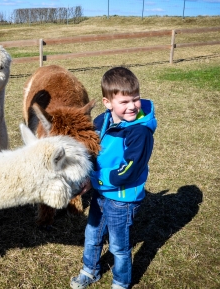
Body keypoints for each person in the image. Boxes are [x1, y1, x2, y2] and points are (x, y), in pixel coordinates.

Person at [71, 67, 157, 289]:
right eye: (124, 102)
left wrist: (95, 180)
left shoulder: (140, 133)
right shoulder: (102, 121)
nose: (131, 106)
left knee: (119, 245)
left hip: (122, 198)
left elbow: (128, 171)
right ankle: (89, 271)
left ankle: (121, 282)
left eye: (135, 99)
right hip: (101, 193)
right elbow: (91, 151)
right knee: (92, 234)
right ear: (108, 103)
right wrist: (86, 173)